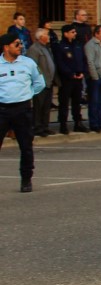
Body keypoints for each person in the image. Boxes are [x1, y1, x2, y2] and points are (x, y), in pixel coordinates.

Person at [0, 31, 46, 192]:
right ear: (6, 47)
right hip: (3, 109)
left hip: (23, 109)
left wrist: (27, 94)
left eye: (21, 44)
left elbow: (39, 82)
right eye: (16, 44)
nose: (20, 47)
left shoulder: (28, 63)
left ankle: (26, 179)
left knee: (26, 146)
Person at [54, 24, 88, 134]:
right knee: (64, 103)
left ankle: (78, 123)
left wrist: (83, 72)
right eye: (72, 32)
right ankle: (63, 125)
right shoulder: (61, 46)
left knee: (77, 102)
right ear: (66, 33)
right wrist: (69, 74)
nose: (75, 34)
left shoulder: (78, 45)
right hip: (67, 79)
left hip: (78, 78)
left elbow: (83, 60)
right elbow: (60, 63)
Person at [24, 28, 56, 137]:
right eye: (47, 35)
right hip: (40, 83)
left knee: (46, 106)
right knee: (39, 106)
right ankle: (37, 127)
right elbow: (33, 66)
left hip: (49, 82)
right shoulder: (34, 49)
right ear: (40, 37)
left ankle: (45, 126)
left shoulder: (46, 48)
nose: (48, 37)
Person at [85, 24, 101, 133]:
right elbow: (90, 62)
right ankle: (94, 123)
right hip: (95, 78)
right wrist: (95, 76)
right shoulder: (91, 45)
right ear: (96, 34)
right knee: (94, 101)